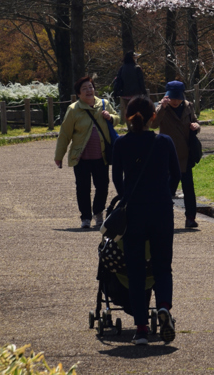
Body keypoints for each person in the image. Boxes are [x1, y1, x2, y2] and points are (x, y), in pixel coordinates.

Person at [113, 96, 180, 346]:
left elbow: (117, 179)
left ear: (128, 117)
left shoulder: (121, 144)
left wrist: (126, 196)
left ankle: (141, 328)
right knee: (163, 265)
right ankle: (163, 306)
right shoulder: (164, 141)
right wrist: (167, 192)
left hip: (134, 212)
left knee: (136, 270)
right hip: (161, 209)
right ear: (154, 116)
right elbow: (176, 173)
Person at [54, 76, 117, 229]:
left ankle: (98, 212)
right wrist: (59, 156)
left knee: (102, 185)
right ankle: (86, 217)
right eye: (85, 88)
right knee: (83, 188)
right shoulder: (73, 109)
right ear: (79, 94)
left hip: (101, 155)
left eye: (91, 87)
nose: (89, 90)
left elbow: (118, 118)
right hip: (81, 157)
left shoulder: (104, 104)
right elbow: (65, 134)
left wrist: (111, 117)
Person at [152, 80, 201, 228]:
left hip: (186, 154)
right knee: (167, 189)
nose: (176, 101)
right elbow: (153, 124)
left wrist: (196, 126)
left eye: (178, 98)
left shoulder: (188, 106)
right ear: (167, 96)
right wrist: (162, 107)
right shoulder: (162, 108)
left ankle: (190, 218)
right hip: (168, 155)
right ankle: (163, 216)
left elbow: (196, 122)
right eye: (172, 98)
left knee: (189, 189)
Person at [112, 51, 147, 120]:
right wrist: (144, 92)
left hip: (125, 95)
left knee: (128, 111)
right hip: (136, 94)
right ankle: (137, 126)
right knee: (137, 111)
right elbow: (141, 82)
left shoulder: (122, 68)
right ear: (133, 58)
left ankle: (130, 127)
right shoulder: (137, 68)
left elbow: (118, 80)